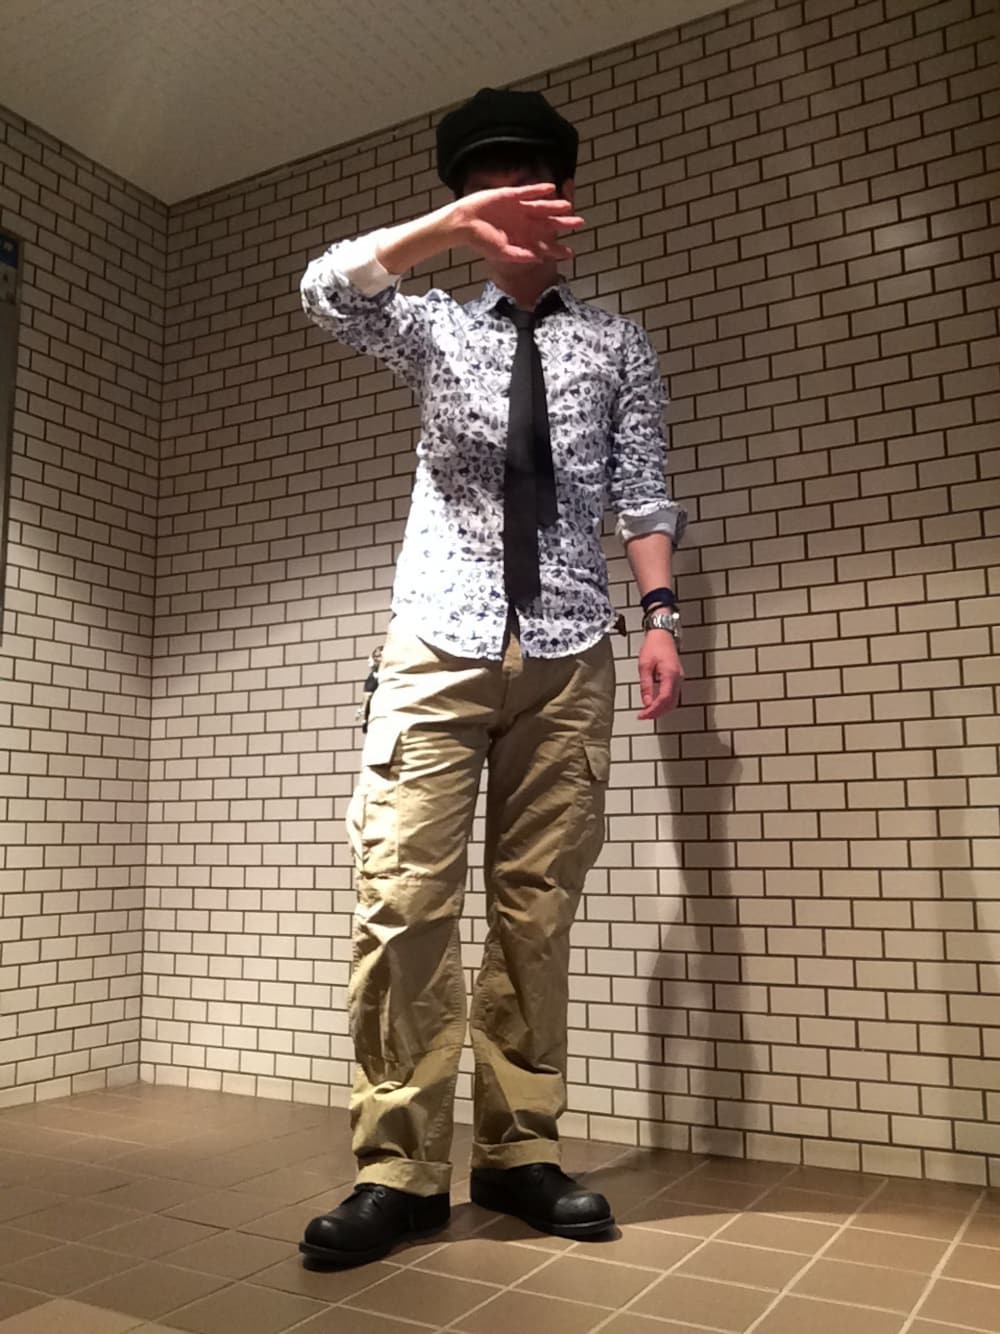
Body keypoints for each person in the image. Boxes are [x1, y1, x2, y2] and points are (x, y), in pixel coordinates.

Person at [297, 86, 686, 1269]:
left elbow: (641, 487)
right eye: (487, 187)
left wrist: (659, 615)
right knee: (401, 898)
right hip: (436, 640)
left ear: (565, 200)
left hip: (569, 646)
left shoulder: (613, 341)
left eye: (530, 183)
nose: (513, 202)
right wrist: (442, 231)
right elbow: (326, 290)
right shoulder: (431, 328)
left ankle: (519, 1151)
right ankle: (398, 1170)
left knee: (537, 908)